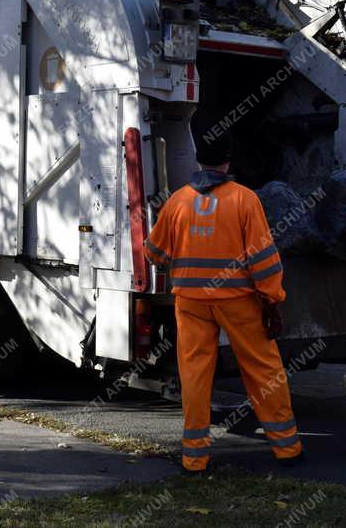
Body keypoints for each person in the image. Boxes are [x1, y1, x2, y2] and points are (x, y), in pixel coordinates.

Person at [144, 134, 303, 473]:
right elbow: (263, 258)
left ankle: (194, 457)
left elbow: (154, 252)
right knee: (263, 369)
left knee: (195, 373)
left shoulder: (177, 201)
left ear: (199, 162)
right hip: (239, 301)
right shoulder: (245, 200)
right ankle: (286, 448)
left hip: (190, 302)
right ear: (228, 163)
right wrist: (272, 299)